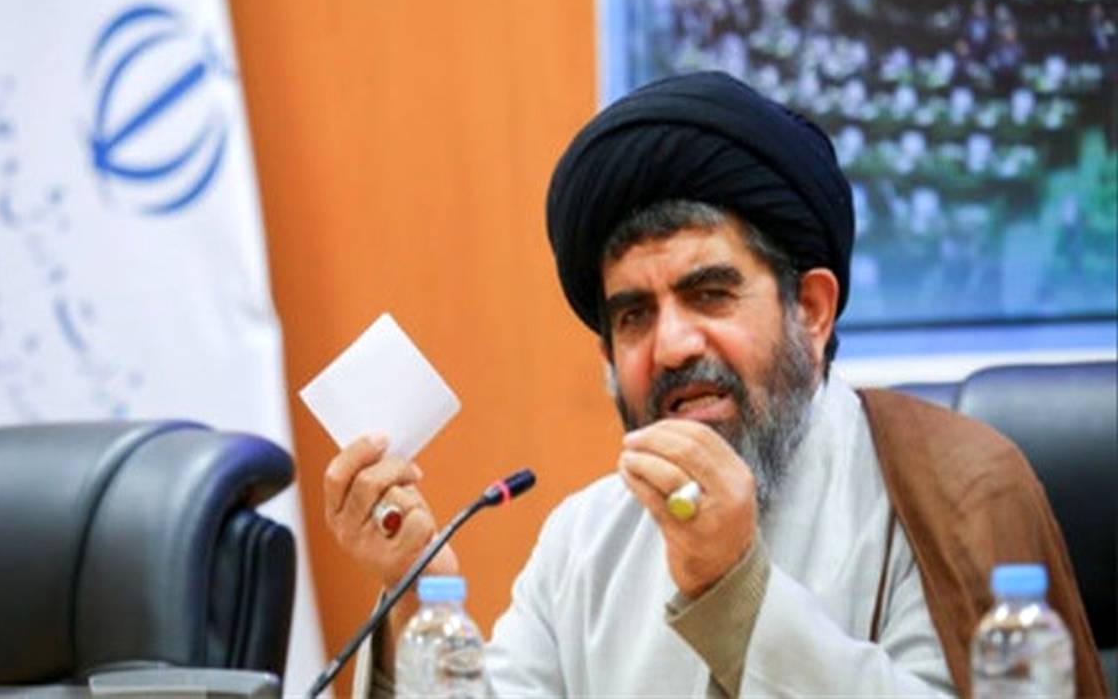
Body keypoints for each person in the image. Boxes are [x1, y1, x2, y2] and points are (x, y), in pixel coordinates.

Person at [323, 71, 1105, 697]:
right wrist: (418, 597)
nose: (671, 345)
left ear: (811, 309)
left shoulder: (943, 495)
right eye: (634, 315)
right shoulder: (583, 540)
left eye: (709, 294)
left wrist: (736, 590)